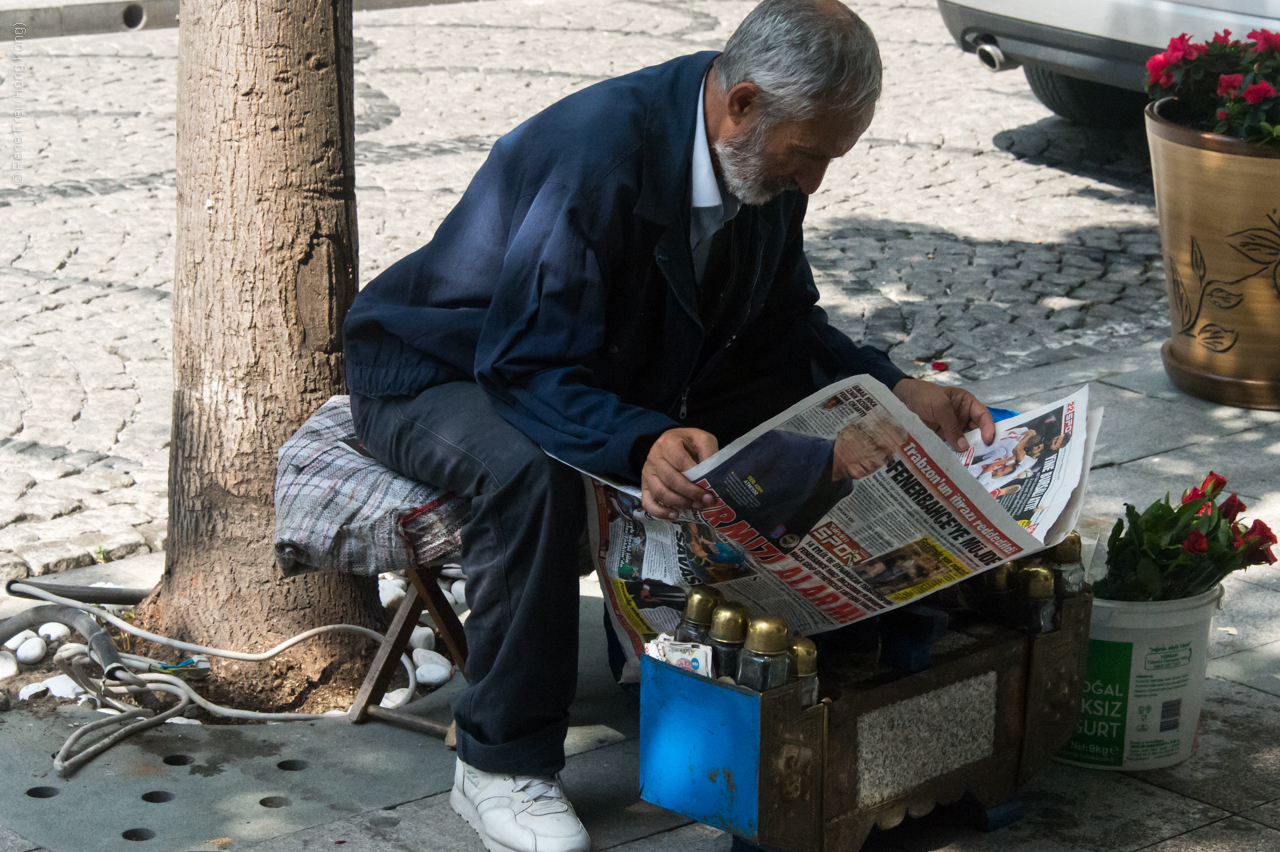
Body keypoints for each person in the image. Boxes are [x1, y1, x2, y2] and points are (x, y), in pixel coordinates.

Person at [340, 2, 995, 850]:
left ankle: (778, 671)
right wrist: (636, 441)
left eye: (830, 160)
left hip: (602, 359)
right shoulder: (599, 157)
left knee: (792, 432)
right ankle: (501, 763)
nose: (813, 185)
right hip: (441, 365)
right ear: (745, 105)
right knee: (527, 474)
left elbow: (784, 324)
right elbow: (524, 363)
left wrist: (895, 386)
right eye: (808, 157)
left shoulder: (758, 158)